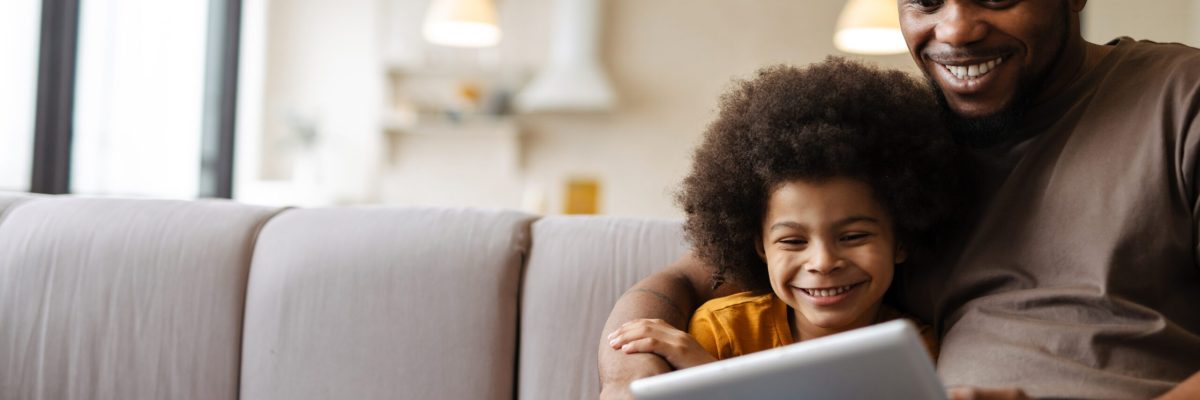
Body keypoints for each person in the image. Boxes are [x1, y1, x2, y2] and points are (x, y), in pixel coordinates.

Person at [599, 1, 1200, 399]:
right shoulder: (895, 147)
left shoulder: (1180, 100)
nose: (957, 29)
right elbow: (692, 276)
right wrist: (625, 370)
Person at [606, 59, 953, 370]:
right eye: (792, 240)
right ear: (760, 247)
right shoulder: (721, 332)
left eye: (853, 237)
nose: (823, 261)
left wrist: (709, 376)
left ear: (902, 240)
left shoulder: (916, 349)